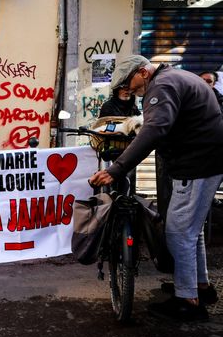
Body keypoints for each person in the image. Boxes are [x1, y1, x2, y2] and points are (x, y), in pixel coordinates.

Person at [89, 55, 223, 322]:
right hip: (207, 159)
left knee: (178, 231)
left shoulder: (161, 85)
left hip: (196, 164)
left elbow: (154, 130)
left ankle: (188, 302)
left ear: (143, 73)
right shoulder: (176, 76)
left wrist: (116, 169)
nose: (128, 90)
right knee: (192, 231)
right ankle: (200, 286)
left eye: (129, 83)